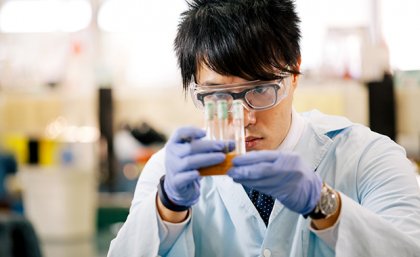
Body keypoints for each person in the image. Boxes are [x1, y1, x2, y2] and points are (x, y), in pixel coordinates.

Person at [108, 0, 420, 256]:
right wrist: (167, 208)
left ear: (294, 72)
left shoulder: (369, 157)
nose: (242, 118)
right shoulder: (169, 173)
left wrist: (325, 205)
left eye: (259, 89)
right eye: (217, 95)